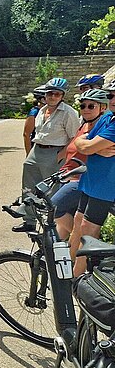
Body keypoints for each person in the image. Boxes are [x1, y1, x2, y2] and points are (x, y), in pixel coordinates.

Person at [13, 77, 80, 232]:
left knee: (52, 190)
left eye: (57, 94)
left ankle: (52, 225)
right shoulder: (42, 110)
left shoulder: (68, 113)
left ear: (62, 96)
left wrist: (61, 154)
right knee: (29, 186)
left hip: (54, 151)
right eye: (50, 93)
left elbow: (74, 136)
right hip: (38, 149)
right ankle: (29, 220)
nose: (53, 97)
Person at [49, 89, 108, 240]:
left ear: (103, 108)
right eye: (83, 106)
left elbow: (98, 150)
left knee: (54, 208)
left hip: (80, 179)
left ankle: (88, 241)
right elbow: (74, 145)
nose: (85, 109)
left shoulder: (101, 129)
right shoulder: (84, 125)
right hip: (67, 176)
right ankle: (60, 256)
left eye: (91, 106)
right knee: (64, 223)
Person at [69, 89, 115, 277]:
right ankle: (65, 269)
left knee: (88, 230)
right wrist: (95, 148)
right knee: (78, 222)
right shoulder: (107, 117)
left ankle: (77, 280)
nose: (113, 99)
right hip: (91, 179)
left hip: (106, 185)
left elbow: (86, 146)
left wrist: (91, 147)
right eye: (111, 95)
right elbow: (81, 141)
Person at [23, 86, 47, 155]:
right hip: (36, 147)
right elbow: (26, 134)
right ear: (42, 99)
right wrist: (29, 153)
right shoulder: (34, 112)